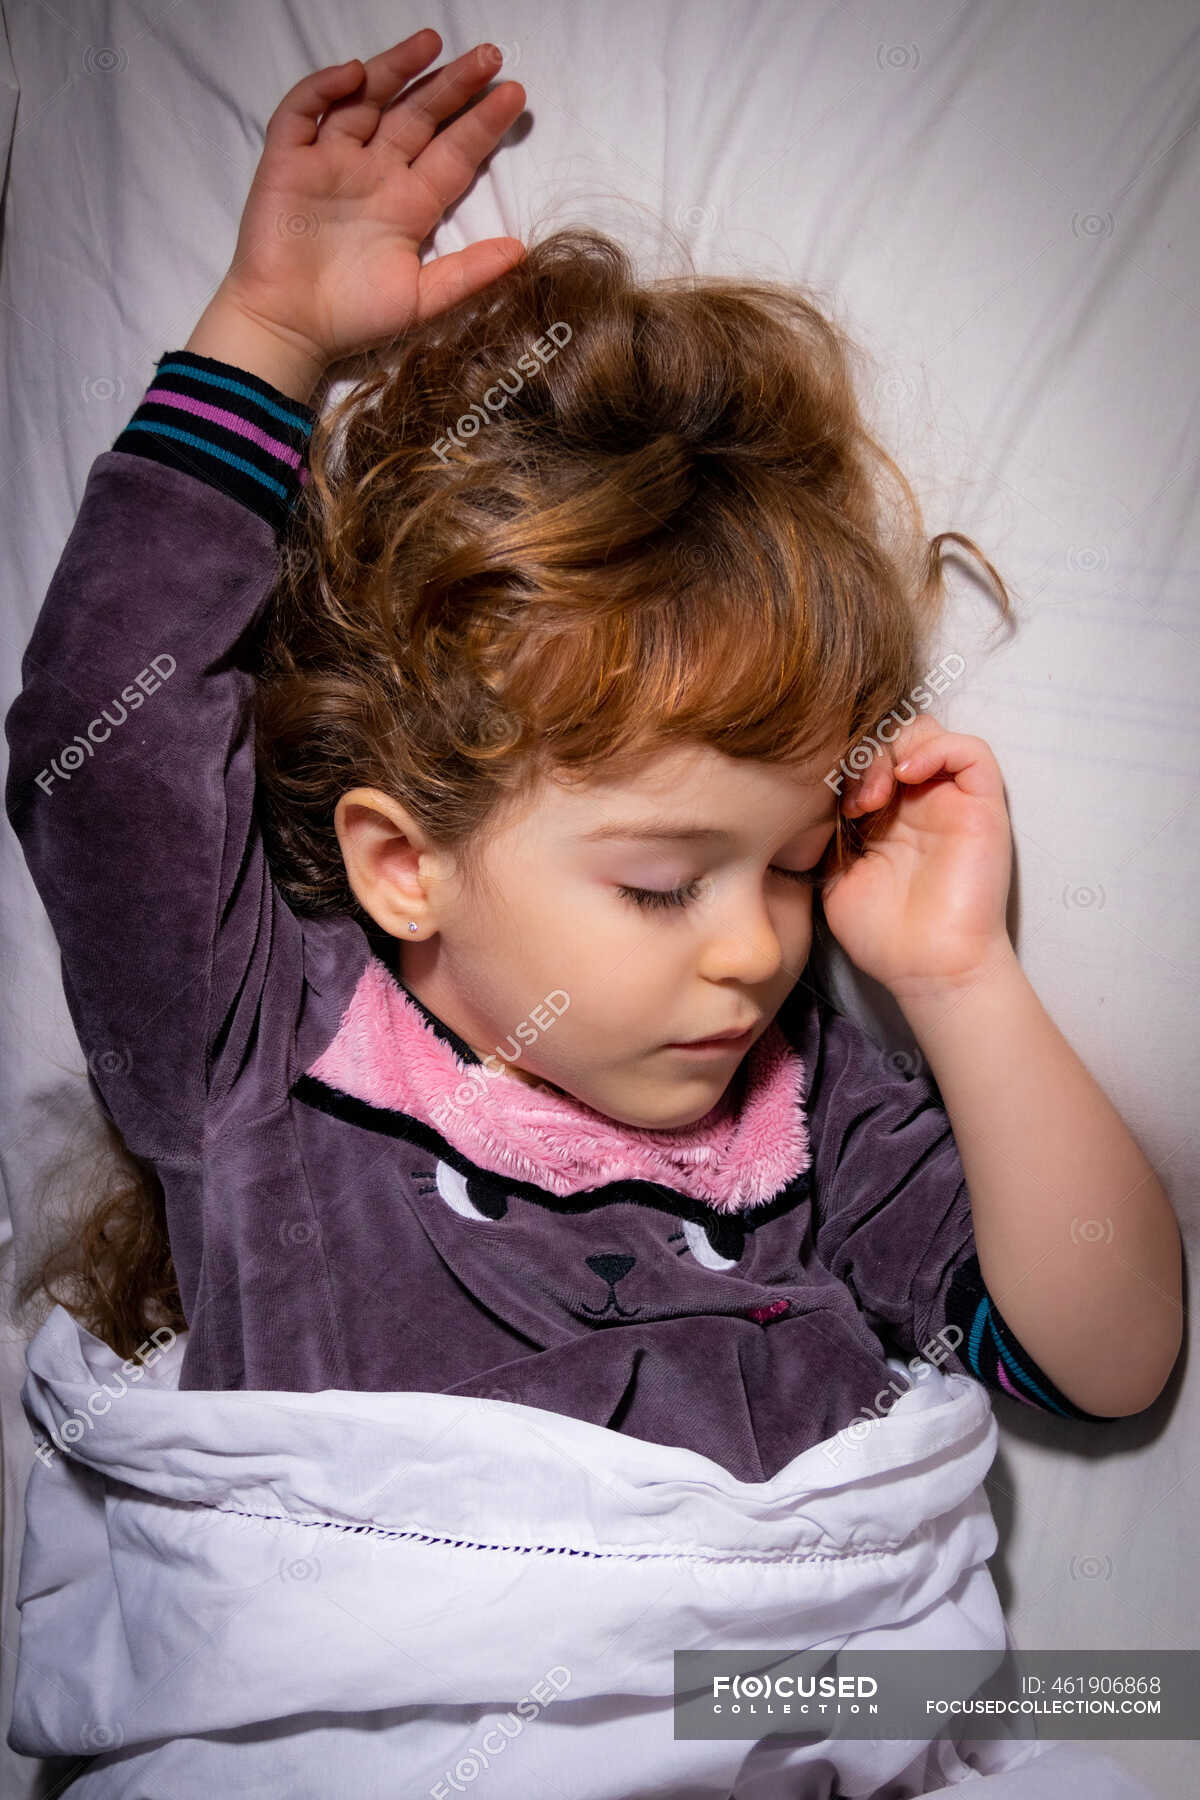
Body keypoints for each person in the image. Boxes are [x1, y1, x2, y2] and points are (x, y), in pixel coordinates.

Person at [2, 29, 1180, 1794]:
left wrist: (959, 979)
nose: (753, 950)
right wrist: (267, 340)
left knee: (1135, 1711)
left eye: (789, 866)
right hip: (355, 1722)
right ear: (409, 864)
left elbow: (1105, 1360)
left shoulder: (810, 1109)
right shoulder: (261, 1037)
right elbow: (102, 735)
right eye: (660, 880)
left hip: (762, 1718)